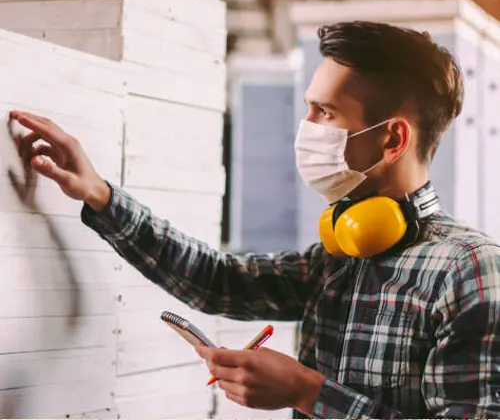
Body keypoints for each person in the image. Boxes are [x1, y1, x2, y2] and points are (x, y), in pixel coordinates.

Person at [10, 21, 500, 418]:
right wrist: (98, 194)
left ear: (392, 139)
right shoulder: (339, 257)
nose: (306, 127)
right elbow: (218, 280)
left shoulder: (471, 272)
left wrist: (308, 392)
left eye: (324, 112)